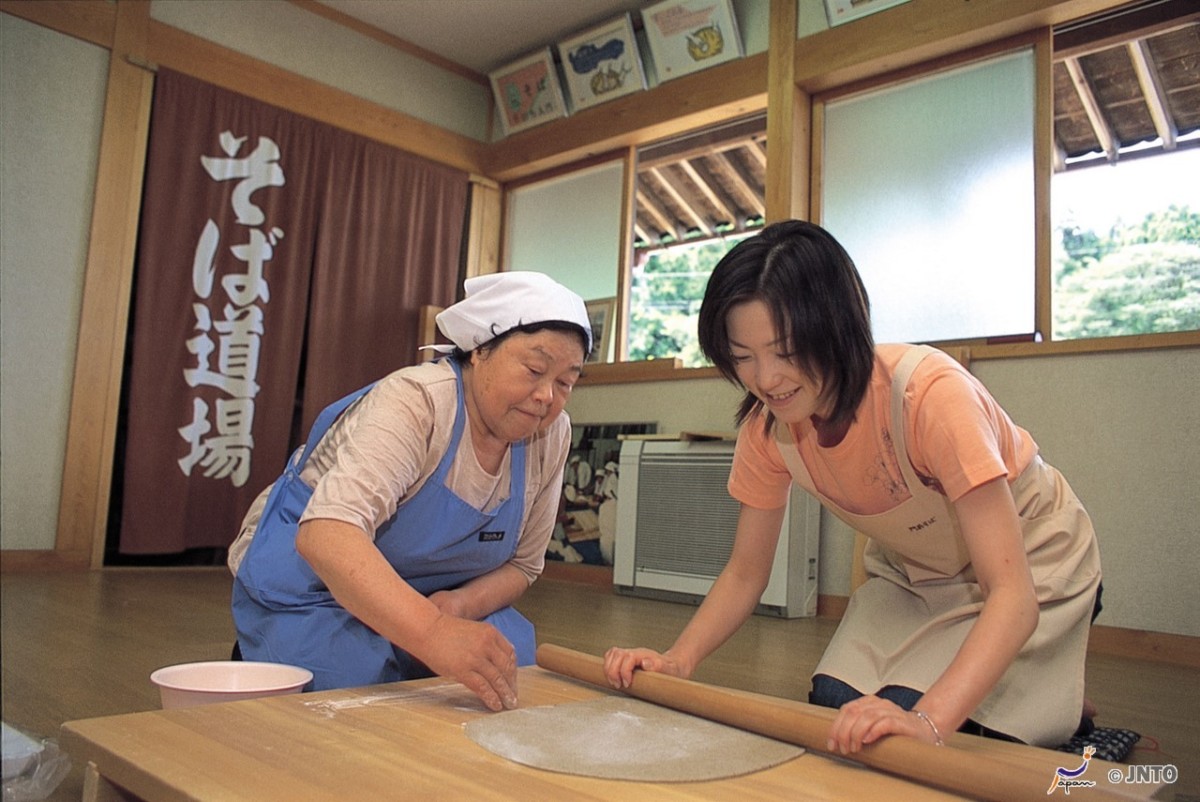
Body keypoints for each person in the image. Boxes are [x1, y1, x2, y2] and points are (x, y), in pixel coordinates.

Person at [603, 220, 1102, 752]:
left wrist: (929, 722)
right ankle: (1035, 691)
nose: (767, 379)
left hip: (1034, 565)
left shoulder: (929, 397)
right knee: (839, 705)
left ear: (837, 327)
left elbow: (1013, 596)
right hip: (916, 577)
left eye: (787, 351)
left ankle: (1061, 704)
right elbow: (746, 571)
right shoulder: (768, 429)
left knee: (922, 726)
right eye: (743, 357)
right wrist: (677, 661)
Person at [229, 271, 591, 712]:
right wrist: (432, 633)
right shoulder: (416, 401)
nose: (546, 397)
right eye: (534, 370)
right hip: (316, 581)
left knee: (511, 660)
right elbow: (326, 533)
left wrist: (455, 608)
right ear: (480, 350)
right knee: (352, 693)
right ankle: (264, 651)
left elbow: (523, 565)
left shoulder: (551, 435)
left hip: (434, 590)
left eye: (566, 382)